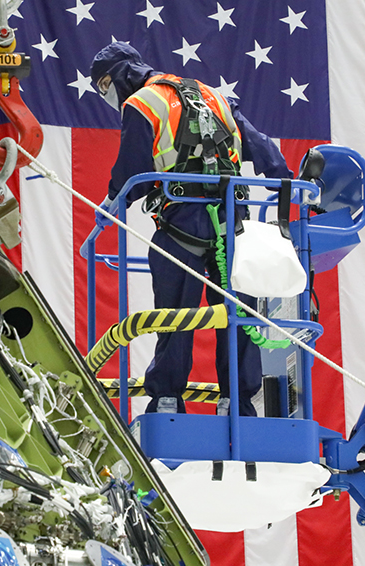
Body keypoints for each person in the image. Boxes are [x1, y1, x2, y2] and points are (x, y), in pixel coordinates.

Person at [90, 42, 294, 417]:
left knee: (174, 315)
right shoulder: (214, 95)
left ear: (120, 75)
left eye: (104, 85)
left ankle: (167, 399)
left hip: (181, 222)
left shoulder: (141, 103)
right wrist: (288, 183)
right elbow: (260, 145)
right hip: (233, 220)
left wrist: (112, 202)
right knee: (237, 313)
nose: (106, 94)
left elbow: (132, 169)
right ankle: (238, 402)